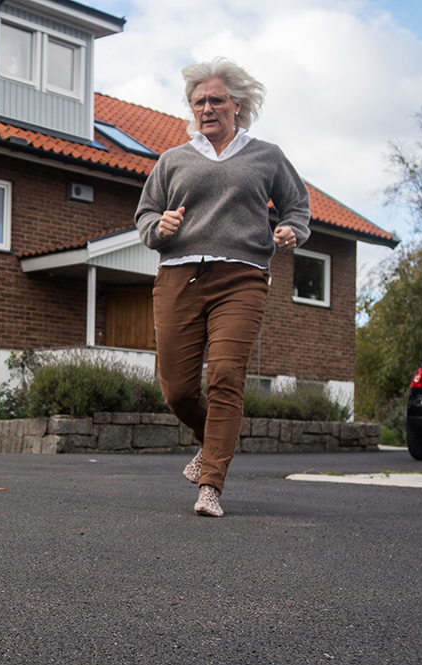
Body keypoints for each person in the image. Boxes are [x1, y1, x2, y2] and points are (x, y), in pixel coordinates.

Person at [134, 57, 310, 517]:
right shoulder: (173, 160)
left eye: (215, 100)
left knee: (228, 376)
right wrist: (161, 226)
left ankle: (211, 483)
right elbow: (145, 215)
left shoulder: (266, 156)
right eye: (198, 102)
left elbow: (298, 207)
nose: (206, 108)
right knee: (175, 389)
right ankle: (210, 441)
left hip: (242, 277)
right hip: (179, 275)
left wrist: (293, 231)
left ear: (237, 105)